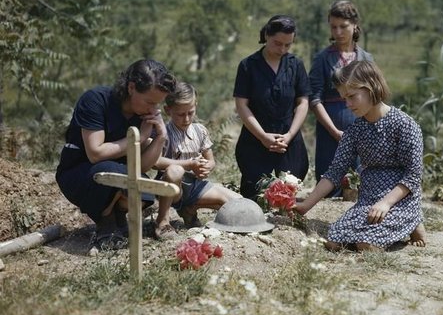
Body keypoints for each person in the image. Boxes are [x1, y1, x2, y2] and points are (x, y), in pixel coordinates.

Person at [295, 60, 426, 252]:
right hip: (368, 200)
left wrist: (385, 203)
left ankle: (414, 220)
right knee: (334, 241)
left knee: (366, 245)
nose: (347, 104)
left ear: (371, 87)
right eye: (343, 99)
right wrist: (305, 205)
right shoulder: (355, 131)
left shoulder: (405, 125)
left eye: (351, 96)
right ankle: (401, 225)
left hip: (399, 199)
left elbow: (413, 175)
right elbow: (334, 173)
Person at [56, 59, 177, 251]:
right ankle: (106, 221)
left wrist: (161, 136)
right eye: (150, 101)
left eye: (158, 104)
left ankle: (116, 217)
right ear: (131, 87)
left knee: (145, 189)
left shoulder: (144, 116)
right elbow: (95, 153)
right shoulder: (96, 100)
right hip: (79, 173)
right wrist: (140, 137)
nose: (154, 109)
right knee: (115, 173)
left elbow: (142, 166)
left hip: (117, 173)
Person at [233, 14, 311, 199]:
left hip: (288, 140)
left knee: (288, 191)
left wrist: (290, 135)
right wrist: (262, 137)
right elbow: (242, 104)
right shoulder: (247, 66)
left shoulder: (296, 65)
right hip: (255, 140)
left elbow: (303, 102)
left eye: (287, 45)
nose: (282, 49)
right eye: (277, 43)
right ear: (266, 35)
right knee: (256, 194)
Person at [153, 82, 241, 239]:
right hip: (171, 187)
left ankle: (189, 209)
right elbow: (156, 161)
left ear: (196, 106)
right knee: (175, 170)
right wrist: (189, 164)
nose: (186, 119)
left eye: (190, 113)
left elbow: (211, 160)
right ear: (168, 110)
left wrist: (205, 167)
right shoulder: (163, 133)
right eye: (180, 114)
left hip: (194, 186)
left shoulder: (200, 130)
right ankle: (163, 220)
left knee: (236, 202)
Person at [309, 0, 374, 196]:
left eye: (343, 26)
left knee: (359, 182)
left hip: (361, 127)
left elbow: (373, 96)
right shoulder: (322, 58)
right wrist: (335, 131)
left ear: (355, 25)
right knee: (330, 181)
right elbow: (314, 98)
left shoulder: (366, 59)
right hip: (330, 129)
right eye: (333, 27)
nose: (338, 32)